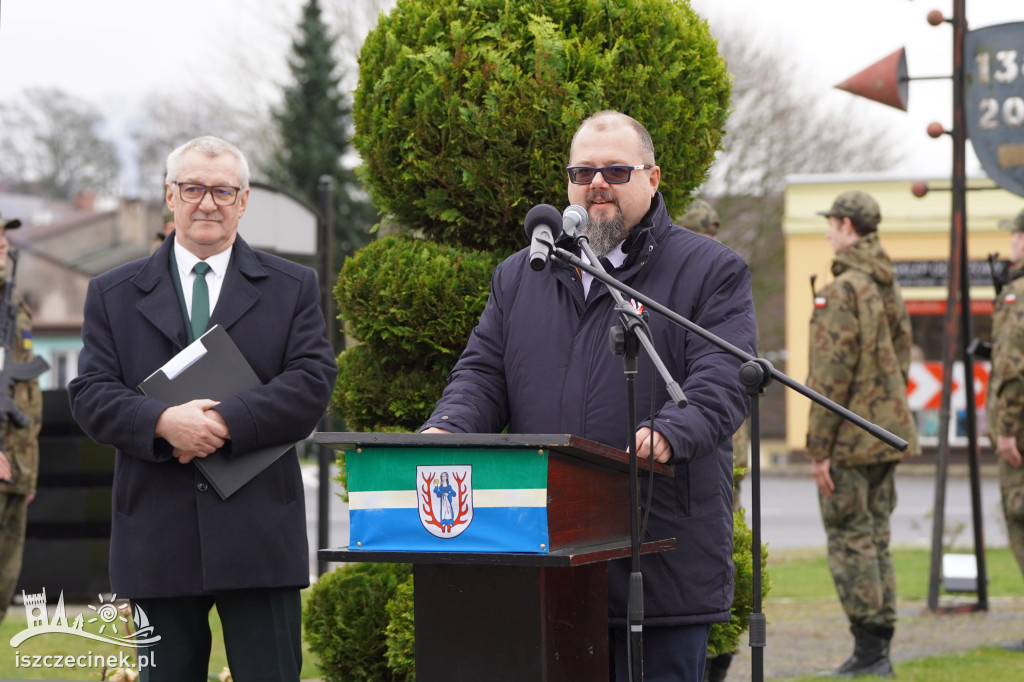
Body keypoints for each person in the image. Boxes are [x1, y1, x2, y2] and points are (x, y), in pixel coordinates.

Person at [422, 110, 757, 681]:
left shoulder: (710, 270)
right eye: (583, 172)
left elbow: (723, 378)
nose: (596, 184)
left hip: (659, 559)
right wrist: (446, 429)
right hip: (546, 564)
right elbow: (482, 375)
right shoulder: (519, 275)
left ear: (653, 178)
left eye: (616, 171)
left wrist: (669, 433)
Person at [68, 136, 337, 681]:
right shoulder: (112, 294)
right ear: (170, 195)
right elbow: (92, 393)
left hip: (259, 535)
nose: (207, 203)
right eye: (193, 188)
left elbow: (312, 383)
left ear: (242, 201)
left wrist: (222, 423)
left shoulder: (292, 288)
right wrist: (164, 423)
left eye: (222, 190)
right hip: (157, 536)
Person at [806, 190, 920, 678]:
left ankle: (870, 652)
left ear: (848, 225)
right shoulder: (885, 282)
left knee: (851, 539)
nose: (828, 231)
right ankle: (879, 648)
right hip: (886, 431)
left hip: (850, 439)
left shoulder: (845, 288)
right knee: (875, 537)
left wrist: (818, 448)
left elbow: (830, 375)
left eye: (832, 223)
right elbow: (903, 352)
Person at [679, 198, 751, 682]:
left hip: (707, 443)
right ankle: (715, 661)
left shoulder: (711, 279)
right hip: (723, 446)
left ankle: (713, 662)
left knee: (707, 557)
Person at [0, 213, 44, 626]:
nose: (1, 244)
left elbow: (26, 393)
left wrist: (29, 468)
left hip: (17, 466)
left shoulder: (13, 305)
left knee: (4, 586)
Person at [986, 207, 1024, 652]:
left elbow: (1013, 368)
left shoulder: (1016, 294)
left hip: (1021, 435)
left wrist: (1008, 430)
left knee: (1018, 516)